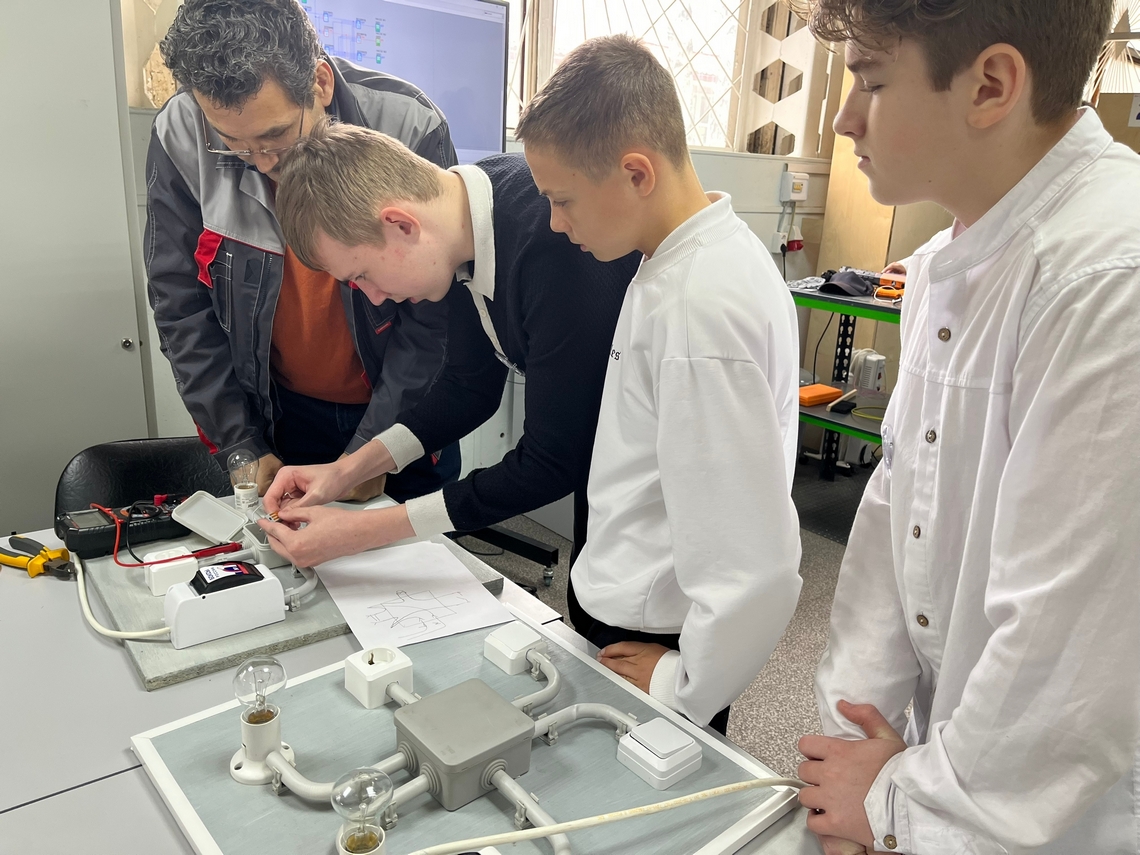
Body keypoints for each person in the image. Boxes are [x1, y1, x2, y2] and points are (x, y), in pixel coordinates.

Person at [794, 1, 1140, 853]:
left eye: (871, 81)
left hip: (1061, 813)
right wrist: (855, 741)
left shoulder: (1108, 279)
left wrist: (899, 806)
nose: (844, 120)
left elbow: (1070, 648)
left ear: (990, 85)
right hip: (940, 763)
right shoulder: (946, 262)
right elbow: (894, 522)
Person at [515, 35, 803, 736]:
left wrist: (685, 682)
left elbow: (753, 559)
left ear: (636, 172)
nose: (555, 222)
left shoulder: (699, 305)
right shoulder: (684, 255)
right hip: (628, 597)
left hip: (652, 638)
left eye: (562, 199)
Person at [255, 121, 639, 566]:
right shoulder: (461, 226)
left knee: (607, 595)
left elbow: (551, 462)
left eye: (362, 275)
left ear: (400, 224)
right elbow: (468, 388)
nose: (374, 298)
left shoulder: (551, 242)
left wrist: (367, 530)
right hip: (608, 459)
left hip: (652, 472)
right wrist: (347, 469)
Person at [147, 0, 459, 502]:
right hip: (278, 414)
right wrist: (240, 443)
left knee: (417, 549)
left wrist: (375, 451)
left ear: (320, 83)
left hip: (400, 407)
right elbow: (179, 305)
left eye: (276, 136)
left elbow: (434, 319)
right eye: (233, 144)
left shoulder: (407, 123)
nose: (263, 163)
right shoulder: (181, 131)